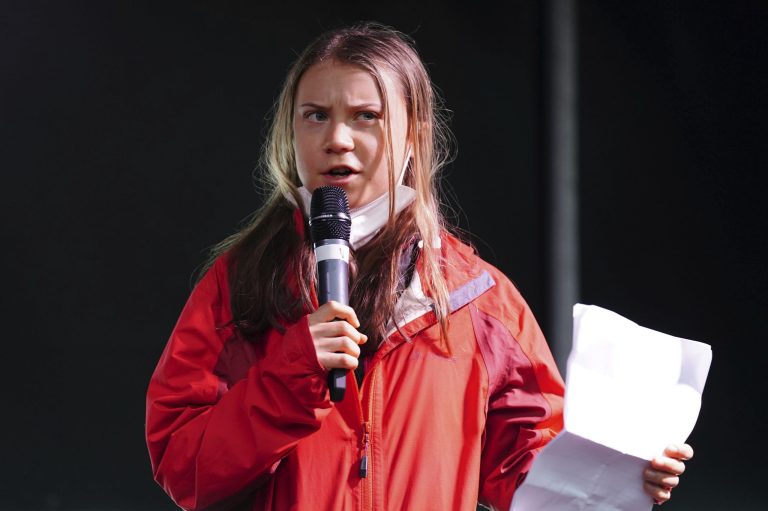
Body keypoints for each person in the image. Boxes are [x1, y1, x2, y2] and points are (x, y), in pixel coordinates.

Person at [145, 22, 693, 511]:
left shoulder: (477, 298)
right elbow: (182, 467)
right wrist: (292, 375)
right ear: (292, 131)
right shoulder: (237, 285)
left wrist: (621, 474)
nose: (337, 138)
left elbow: (530, 474)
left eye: (366, 117)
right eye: (316, 116)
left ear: (415, 136)